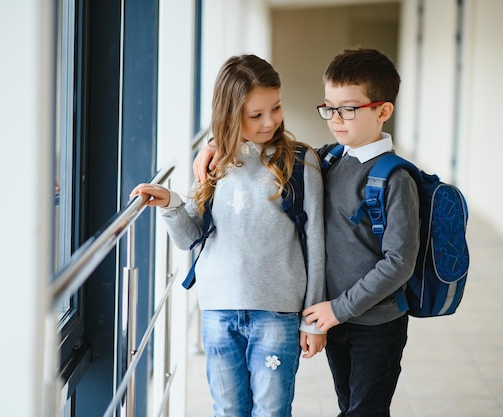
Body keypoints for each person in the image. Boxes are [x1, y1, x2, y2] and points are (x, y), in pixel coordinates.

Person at [193, 48, 420, 417]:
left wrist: (334, 310)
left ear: (382, 111)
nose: (336, 119)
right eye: (329, 107)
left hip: (375, 323)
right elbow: (267, 156)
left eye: (348, 109)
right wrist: (217, 144)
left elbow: (399, 263)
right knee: (349, 407)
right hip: (337, 318)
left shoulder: (396, 178)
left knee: (365, 411)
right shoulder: (330, 159)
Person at [131, 54, 327, 417]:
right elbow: (190, 236)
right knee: (228, 410)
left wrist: (312, 321)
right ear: (230, 114)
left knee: (271, 411)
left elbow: (315, 242)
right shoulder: (213, 163)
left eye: (276, 107)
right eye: (256, 115)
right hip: (218, 311)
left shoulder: (300, 162)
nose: (270, 121)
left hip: (278, 314)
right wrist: (171, 203)